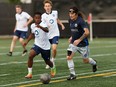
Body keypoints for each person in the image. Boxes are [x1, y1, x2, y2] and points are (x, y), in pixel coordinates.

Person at [66, 7, 97, 80]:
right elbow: (75, 30)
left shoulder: (81, 21)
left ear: (76, 14)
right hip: (73, 43)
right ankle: (72, 74)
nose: (70, 15)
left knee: (85, 61)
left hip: (83, 44)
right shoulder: (70, 20)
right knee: (69, 57)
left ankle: (94, 63)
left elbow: (87, 32)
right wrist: (71, 37)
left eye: (72, 13)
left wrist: (79, 40)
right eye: (69, 13)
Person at [24, 12, 56, 78]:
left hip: (45, 47)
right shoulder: (32, 25)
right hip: (37, 45)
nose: (37, 19)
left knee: (47, 61)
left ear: (41, 18)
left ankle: (53, 67)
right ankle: (29, 73)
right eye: (36, 18)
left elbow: (47, 30)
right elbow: (32, 34)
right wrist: (26, 41)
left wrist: (40, 27)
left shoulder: (43, 24)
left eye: (39, 18)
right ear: (34, 18)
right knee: (30, 55)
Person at [42, 0, 65, 69]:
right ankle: (48, 62)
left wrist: (61, 24)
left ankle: (53, 60)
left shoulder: (55, 12)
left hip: (55, 34)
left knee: (54, 49)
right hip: (47, 35)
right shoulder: (43, 16)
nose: (47, 7)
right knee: (47, 51)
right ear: (44, 7)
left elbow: (57, 19)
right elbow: (43, 25)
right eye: (46, 6)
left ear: (51, 6)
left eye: (48, 6)